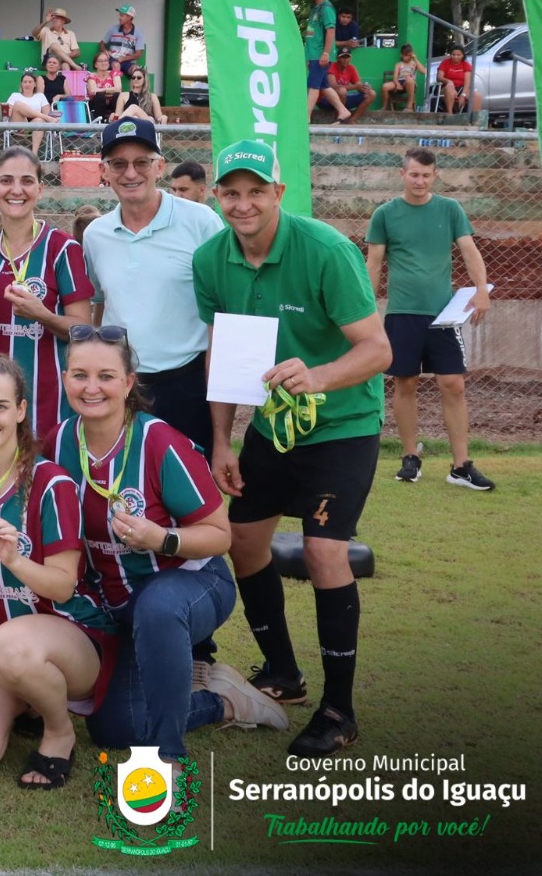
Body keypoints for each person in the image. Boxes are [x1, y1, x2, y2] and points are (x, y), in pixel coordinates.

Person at [194, 139, 392, 757]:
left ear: (279, 194)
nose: (244, 203)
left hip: (342, 426)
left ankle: (339, 710)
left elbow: (378, 350)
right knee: (243, 539)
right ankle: (283, 671)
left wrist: (320, 376)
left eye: (257, 191)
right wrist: (222, 440)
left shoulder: (326, 250)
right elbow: (221, 359)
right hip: (273, 429)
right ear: (217, 196)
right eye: (232, 192)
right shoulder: (211, 260)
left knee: (324, 552)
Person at [49, 329, 287, 772]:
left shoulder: (159, 441)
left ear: (128, 382)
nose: (91, 387)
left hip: (192, 585)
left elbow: (221, 535)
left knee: (157, 605)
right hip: (117, 606)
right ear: (65, 379)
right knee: (116, 727)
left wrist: (160, 539)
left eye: (105, 375)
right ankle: (221, 700)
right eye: (80, 375)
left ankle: (168, 760)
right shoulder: (59, 442)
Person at [0, 354, 112, 788]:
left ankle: (58, 729)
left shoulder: (52, 483)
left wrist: (15, 560)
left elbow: (64, 586)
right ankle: (24, 701)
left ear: (20, 410)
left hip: (66, 637)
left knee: (11, 645)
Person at [82, 118, 223, 452]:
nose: (130, 173)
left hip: (188, 382)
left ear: (159, 166)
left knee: (192, 489)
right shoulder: (95, 235)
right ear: (104, 172)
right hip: (123, 384)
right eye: (118, 164)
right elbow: (100, 304)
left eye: (141, 162)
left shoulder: (202, 223)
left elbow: (225, 307)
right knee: (125, 487)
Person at [365, 147, 494, 490]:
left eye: (426, 175)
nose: (419, 181)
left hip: (444, 315)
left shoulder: (450, 209)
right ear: (402, 175)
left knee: (453, 384)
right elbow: (373, 266)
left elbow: (470, 251)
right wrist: (365, 310)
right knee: (405, 383)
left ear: (435, 176)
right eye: (413, 174)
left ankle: (461, 465)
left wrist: (482, 289)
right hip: (402, 314)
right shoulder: (385, 214)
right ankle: (411, 457)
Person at [0, 147, 94, 439]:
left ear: (41, 189)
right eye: (6, 181)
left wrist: (41, 315)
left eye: (27, 181)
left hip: (49, 403)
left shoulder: (62, 249)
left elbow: (84, 329)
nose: (16, 190)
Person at [302, 0, 353, 122]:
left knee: (313, 85)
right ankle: (343, 111)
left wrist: (325, 52)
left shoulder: (327, 8)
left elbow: (331, 30)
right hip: (314, 55)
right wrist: (309, 57)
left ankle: (305, 118)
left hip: (321, 55)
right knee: (323, 85)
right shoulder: (316, 9)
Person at [3, 71, 56, 156]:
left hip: (32, 128)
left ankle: (34, 154)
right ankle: (42, 117)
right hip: (18, 126)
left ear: (35, 84)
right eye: (25, 82)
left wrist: (48, 118)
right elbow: (8, 114)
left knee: (39, 120)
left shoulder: (40, 96)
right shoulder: (15, 95)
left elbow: (48, 113)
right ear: (21, 84)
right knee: (18, 104)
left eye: (30, 82)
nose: (27, 84)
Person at [326, 49, 375, 120]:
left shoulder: (351, 68)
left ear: (350, 58)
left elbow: (358, 84)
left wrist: (364, 87)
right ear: (338, 58)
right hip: (329, 101)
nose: (345, 59)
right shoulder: (331, 67)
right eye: (343, 57)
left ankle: (353, 120)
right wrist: (355, 87)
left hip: (344, 99)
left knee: (371, 93)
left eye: (347, 57)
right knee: (342, 91)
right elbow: (333, 86)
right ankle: (339, 119)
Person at [381, 44, 427, 111]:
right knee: (385, 86)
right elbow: (395, 77)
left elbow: (423, 71)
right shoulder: (399, 64)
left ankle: (409, 107)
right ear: (401, 55)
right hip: (399, 81)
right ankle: (384, 107)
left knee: (409, 79)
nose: (407, 57)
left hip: (410, 83)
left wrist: (415, 59)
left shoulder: (414, 64)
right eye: (406, 55)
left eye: (409, 55)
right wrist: (397, 84)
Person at [102, 6, 146, 74]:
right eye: (119, 15)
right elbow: (102, 43)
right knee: (116, 65)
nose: (119, 18)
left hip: (128, 62)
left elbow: (138, 54)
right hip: (113, 59)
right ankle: (117, 85)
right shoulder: (113, 29)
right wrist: (105, 51)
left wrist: (123, 58)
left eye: (122, 16)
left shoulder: (138, 32)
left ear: (130, 17)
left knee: (137, 70)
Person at [437, 45, 478, 114]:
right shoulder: (445, 63)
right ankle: (450, 115)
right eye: (453, 54)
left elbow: (467, 82)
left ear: (462, 55)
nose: (455, 56)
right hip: (447, 87)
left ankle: (475, 118)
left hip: (462, 88)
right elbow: (439, 77)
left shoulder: (466, 64)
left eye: (458, 55)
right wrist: (449, 81)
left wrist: (463, 95)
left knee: (477, 95)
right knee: (449, 89)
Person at [87, 51, 121, 121]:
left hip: (112, 103)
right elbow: (93, 91)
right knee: (100, 96)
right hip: (96, 103)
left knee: (117, 95)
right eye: (100, 61)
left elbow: (118, 89)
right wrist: (110, 91)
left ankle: (115, 120)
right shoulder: (91, 76)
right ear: (95, 64)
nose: (104, 63)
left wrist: (103, 90)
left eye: (106, 60)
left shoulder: (114, 73)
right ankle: (100, 123)